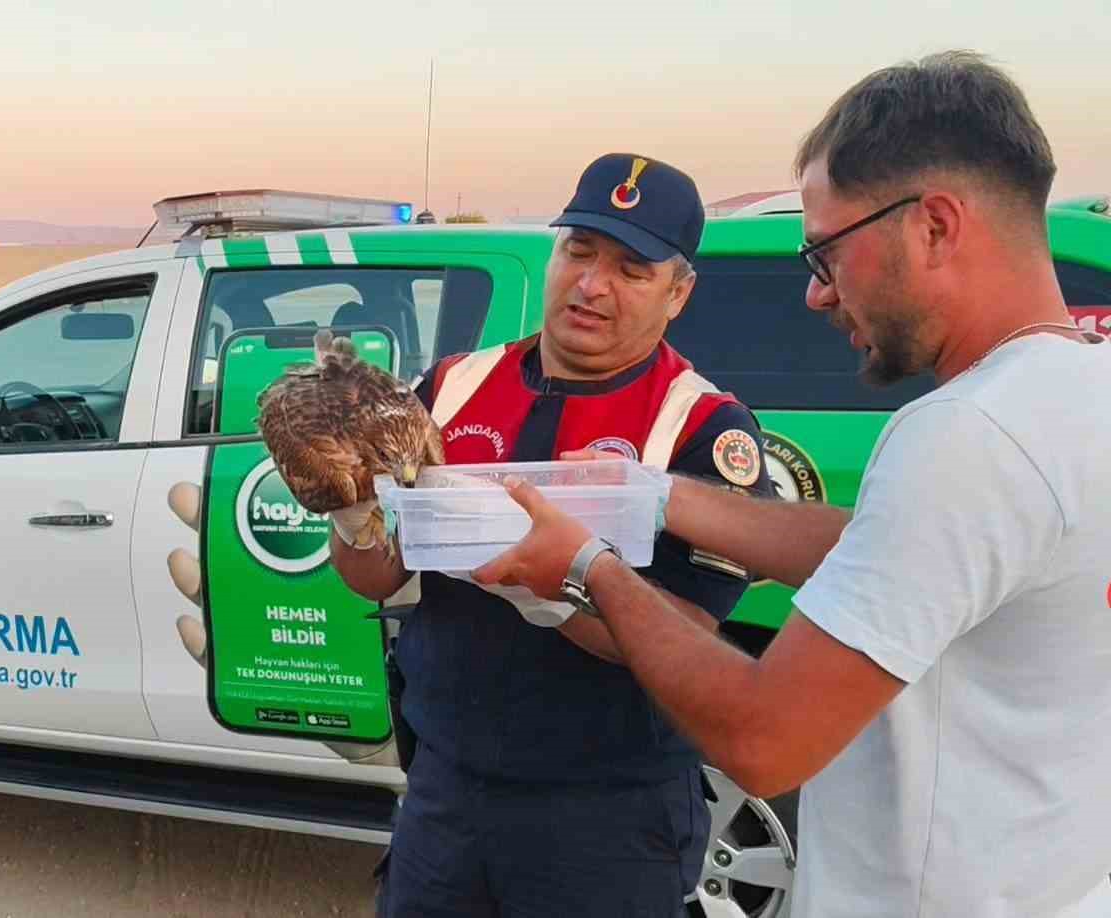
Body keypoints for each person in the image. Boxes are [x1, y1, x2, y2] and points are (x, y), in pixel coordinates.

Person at [473, 52, 1111, 918]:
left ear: (934, 226)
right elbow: (893, 549)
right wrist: (660, 495)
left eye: (824, 254)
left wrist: (587, 569)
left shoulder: (968, 435)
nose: (816, 296)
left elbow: (762, 741)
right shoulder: (1080, 394)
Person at [330, 152, 775, 916]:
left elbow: (691, 633)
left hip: (608, 819)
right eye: (579, 251)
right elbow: (375, 574)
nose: (592, 285)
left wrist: (561, 591)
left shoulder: (703, 427)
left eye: (633, 269)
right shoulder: (447, 388)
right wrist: (344, 507)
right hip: (446, 794)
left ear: (679, 292)